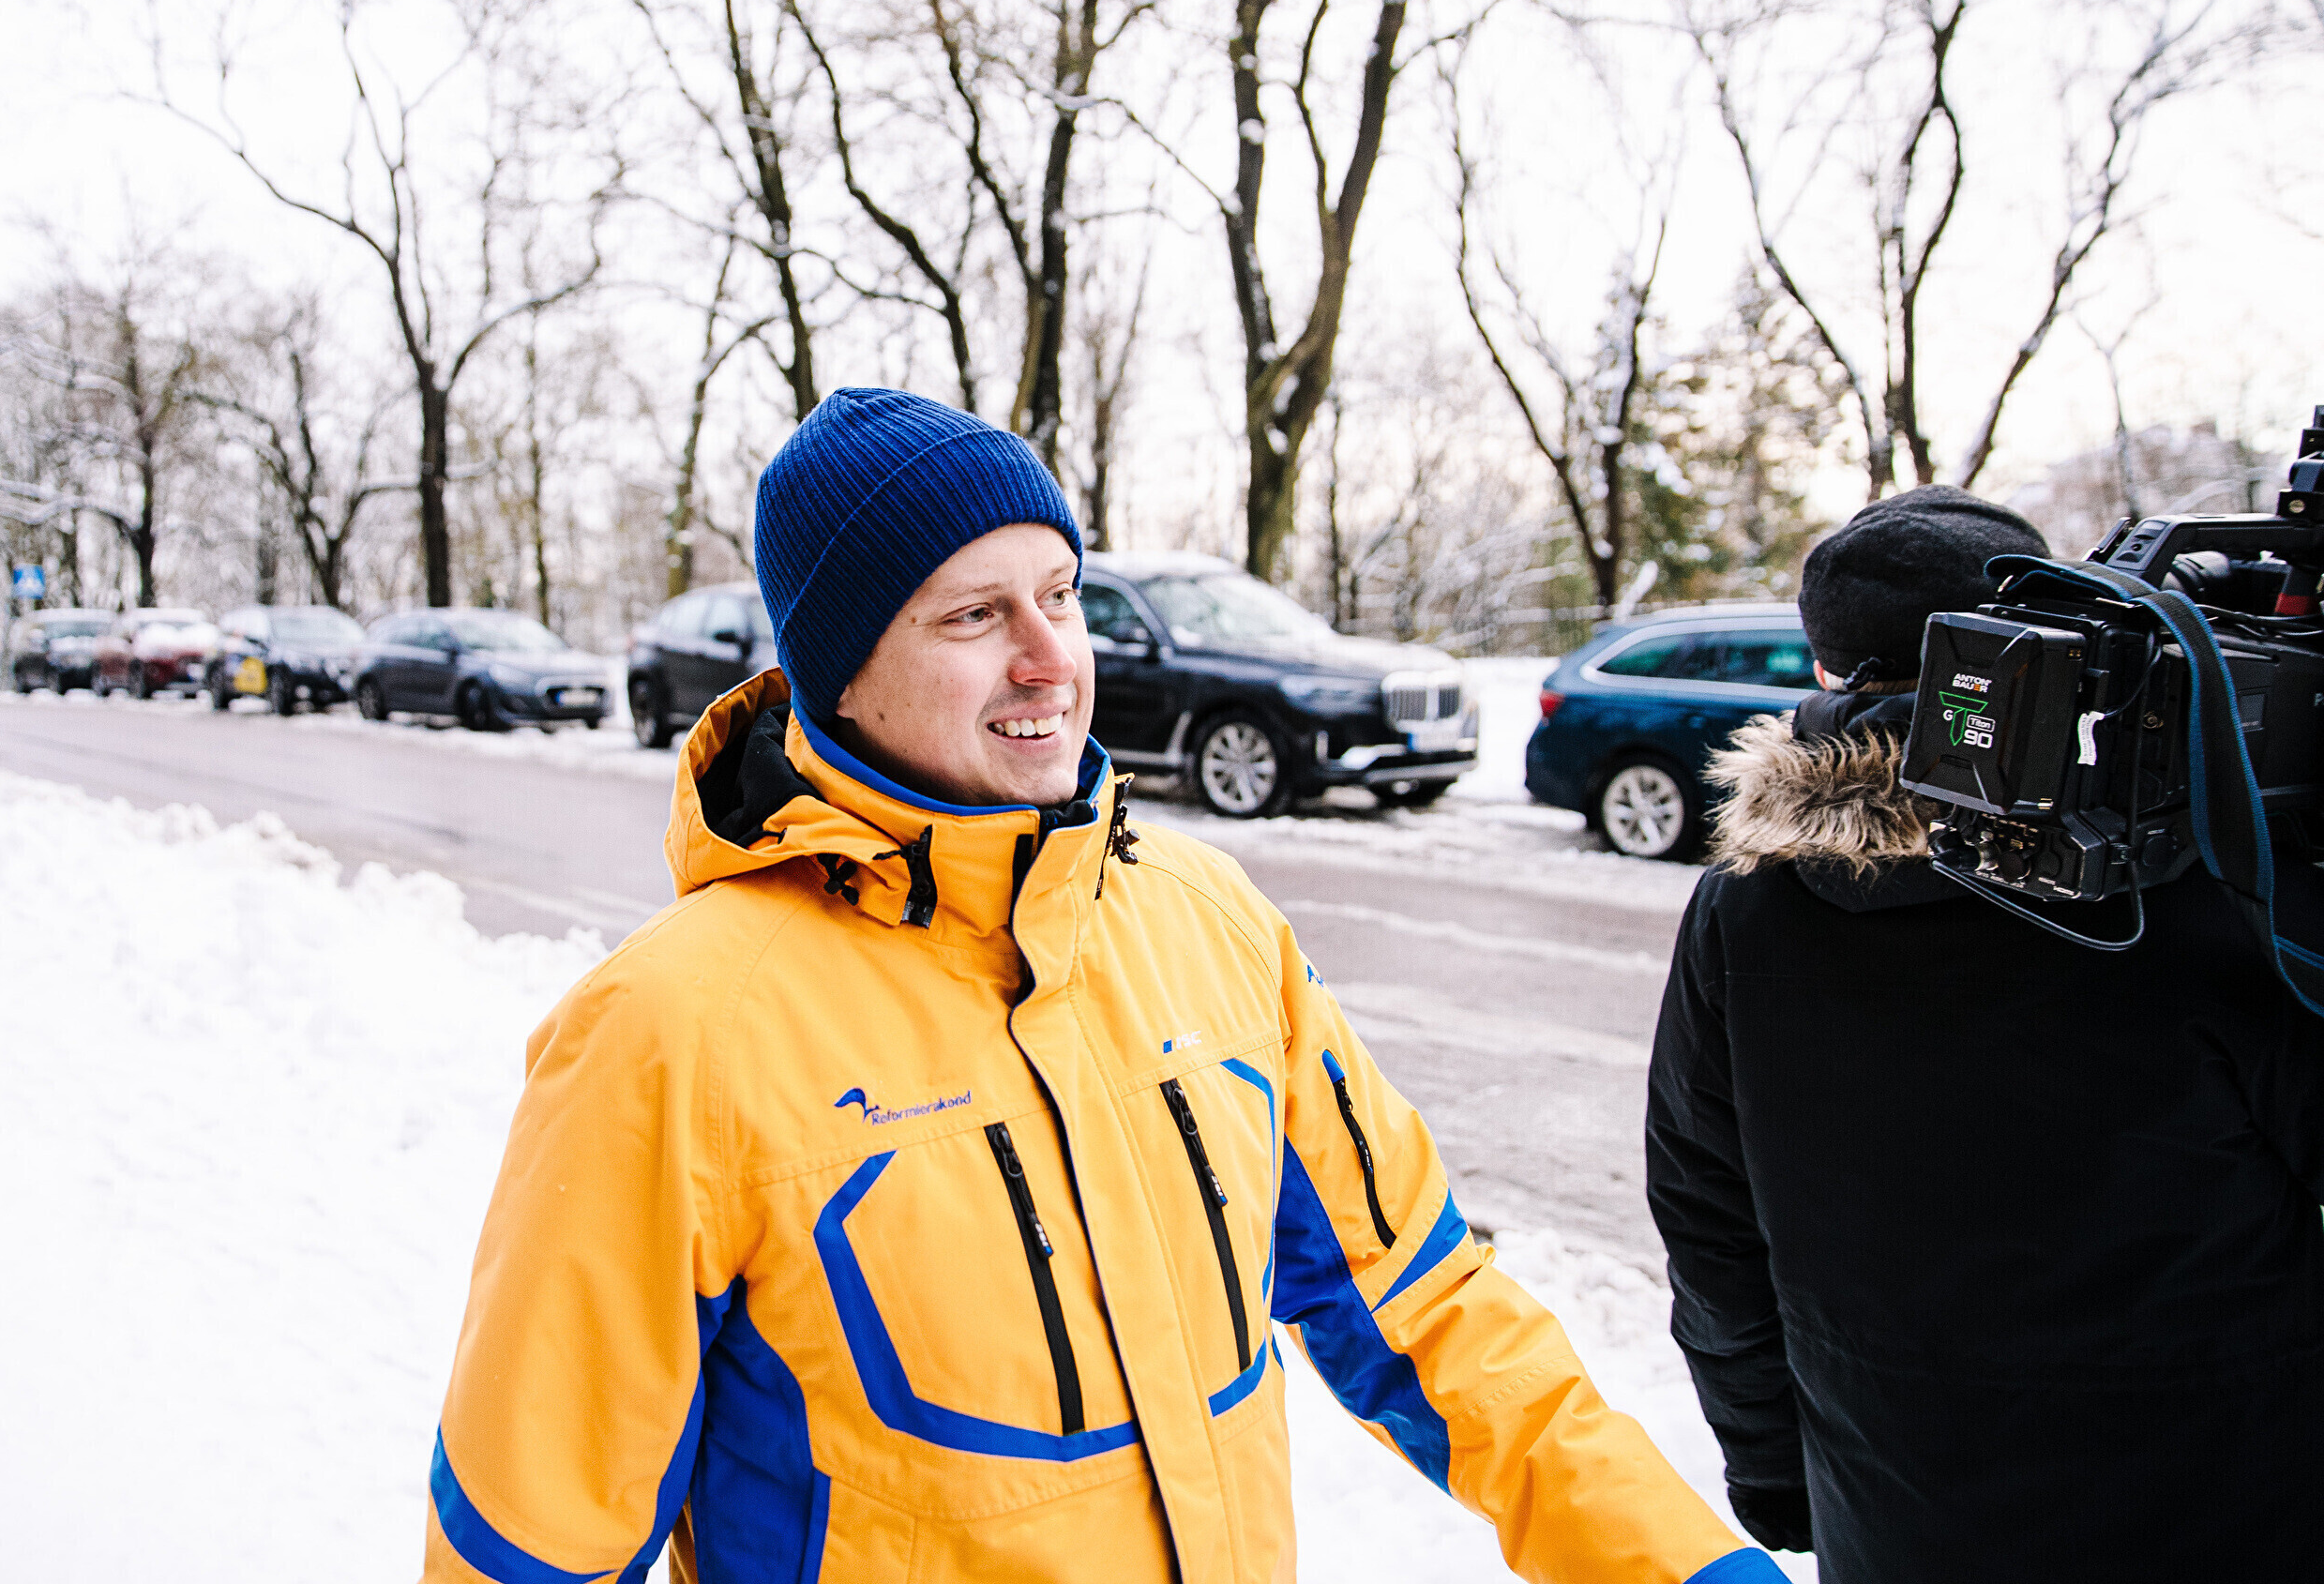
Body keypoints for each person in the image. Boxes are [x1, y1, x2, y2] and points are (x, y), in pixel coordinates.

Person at [428, 388, 1773, 1584]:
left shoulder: (1211, 923)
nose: (1050, 656)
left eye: (1060, 594)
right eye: (975, 613)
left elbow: (1435, 1316)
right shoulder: (672, 1034)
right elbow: (529, 1540)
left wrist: (1690, 1565)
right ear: (841, 673)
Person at [1646, 486, 2324, 1579]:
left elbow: (1707, 1217)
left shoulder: (1747, 903)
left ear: (1827, 668)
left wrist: (1773, 1465)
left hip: (1899, 1506)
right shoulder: (2198, 873)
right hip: (2229, 1497)